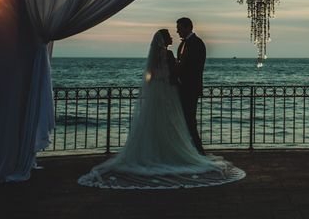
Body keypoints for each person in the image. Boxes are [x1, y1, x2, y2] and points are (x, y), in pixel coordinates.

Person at [77, 28, 244, 189]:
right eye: (170, 35)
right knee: (171, 122)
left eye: (177, 30)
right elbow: (174, 72)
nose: (174, 35)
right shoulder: (170, 53)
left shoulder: (159, 54)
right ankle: (177, 152)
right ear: (165, 40)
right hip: (169, 90)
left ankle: (156, 153)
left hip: (157, 90)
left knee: (156, 121)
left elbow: (150, 74)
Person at [175, 17, 206, 154]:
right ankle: (188, 150)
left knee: (190, 120)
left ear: (188, 27)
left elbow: (190, 67)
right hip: (182, 88)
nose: (177, 31)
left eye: (179, 28)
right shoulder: (183, 44)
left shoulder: (197, 43)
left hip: (191, 88)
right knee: (185, 121)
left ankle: (198, 151)